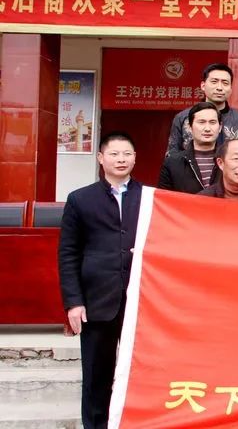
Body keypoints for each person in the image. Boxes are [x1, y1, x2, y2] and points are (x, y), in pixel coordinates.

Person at [58, 131, 142, 429]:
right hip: (97, 301)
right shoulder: (80, 199)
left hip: (139, 302)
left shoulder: (148, 197)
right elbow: (68, 254)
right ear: (100, 158)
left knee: (139, 374)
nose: (121, 159)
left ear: (135, 158)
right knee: (96, 376)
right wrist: (73, 302)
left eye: (127, 154)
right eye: (114, 154)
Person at [166, 63, 238, 155]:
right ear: (203, 86)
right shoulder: (183, 118)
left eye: (225, 83)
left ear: (231, 88)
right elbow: (172, 155)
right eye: (214, 82)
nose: (219, 88)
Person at [158, 102, 221, 193]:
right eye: (201, 122)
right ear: (190, 127)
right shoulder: (172, 164)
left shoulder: (230, 161)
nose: (207, 128)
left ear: (220, 127)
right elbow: (163, 198)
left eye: (212, 122)